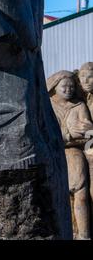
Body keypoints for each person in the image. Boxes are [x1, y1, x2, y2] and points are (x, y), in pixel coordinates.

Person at [47, 71, 93, 240]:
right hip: (53, 153)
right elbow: (46, 132)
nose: (68, 90)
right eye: (64, 86)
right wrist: (69, 135)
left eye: (72, 87)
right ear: (54, 87)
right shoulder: (48, 106)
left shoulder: (79, 106)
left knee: (81, 192)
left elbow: (89, 136)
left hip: (73, 154)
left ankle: (84, 234)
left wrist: (85, 132)